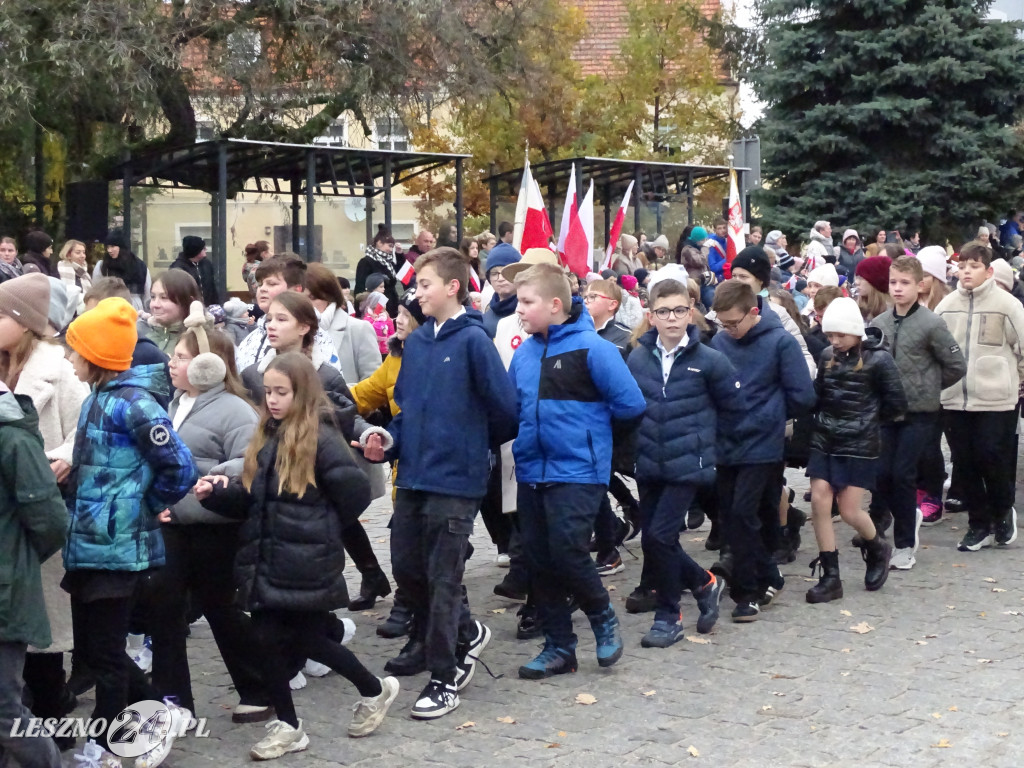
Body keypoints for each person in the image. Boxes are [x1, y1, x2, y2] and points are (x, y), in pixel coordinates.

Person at [196, 352, 400, 760]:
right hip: (269, 556)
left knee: (303, 637)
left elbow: (353, 493)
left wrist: (320, 527)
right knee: (269, 639)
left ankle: (374, 689)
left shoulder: (321, 438)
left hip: (304, 560)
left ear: (301, 393)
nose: (272, 400)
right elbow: (256, 497)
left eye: (281, 392)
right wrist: (218, 494)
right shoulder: (269, 434)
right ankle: (290, 724)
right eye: (268, 392)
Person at [384, 247, 517, 718]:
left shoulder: (475, 341)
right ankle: (461, 633)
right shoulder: (417, 344)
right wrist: (390, 440)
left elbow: (504, 412)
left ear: (453, 287)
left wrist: (468, 445)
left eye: (423, 285)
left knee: (444, 578)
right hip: (413, 476)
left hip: (456, 480)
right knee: (407, 567)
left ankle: (445, 676)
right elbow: (404, 409)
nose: (415, 293)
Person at [63, 297, 198, 756]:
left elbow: (179, 467)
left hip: (118, 547)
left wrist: (144, 507)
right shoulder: (97, 399)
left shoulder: (136, 405)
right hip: (89, 543)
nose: (69, 357)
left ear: (97, 356)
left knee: (106, 655)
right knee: (98, 649)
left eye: (75, 350)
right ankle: (157, 713)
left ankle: (107, 745)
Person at [509, 262, 645, 679]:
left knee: (568, 548)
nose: (519, 310)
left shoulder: (595, 349)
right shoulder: (524, 353)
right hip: (532, 470)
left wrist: (594, 444)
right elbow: (513, 408)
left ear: (554, 304)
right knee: (539, 558)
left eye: (526, 302)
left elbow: (631, 406)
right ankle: (558, 647)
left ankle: (602, 615)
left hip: (580, 471)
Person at [147, 317, 271, 723]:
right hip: (172, 526)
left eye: (182, 357)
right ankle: (172, 699)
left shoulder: (235, 409)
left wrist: (207, 480)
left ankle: (257, 687)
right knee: (165, 612)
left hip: (215, 528)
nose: (171, 363)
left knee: (223, 610)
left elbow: (249, 460)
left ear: (207, 364)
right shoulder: (172, 403)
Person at [240, 291, 393, 609]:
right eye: (269, 318)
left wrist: (369, 436)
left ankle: (362, 578)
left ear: (305, 327)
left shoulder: (324, 374)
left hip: (314, 464)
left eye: (282, 319)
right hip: (271, 465)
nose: (271, 325)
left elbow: (346, 416)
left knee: (327, 522)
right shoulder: (254, 374)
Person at [0, 274, 89, 731]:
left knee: (44, 636)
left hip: (41, 510)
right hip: (5, 517)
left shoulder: (60, 369)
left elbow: (86, 427)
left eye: (1, 314)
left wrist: (61, 459)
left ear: (24, 321)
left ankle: (52, 724)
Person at [627, 278, 734, 646]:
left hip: (688, 463)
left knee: (660, 536)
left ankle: (668, 614)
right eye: (662, 311)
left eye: (678, 310)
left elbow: (733, 410)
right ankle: (704, 583)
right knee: (654, 540)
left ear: (691, 312)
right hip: (649, 460)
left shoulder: (709, 359)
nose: (671, 318)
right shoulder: (638, 357)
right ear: (651, 316)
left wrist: (709, 449)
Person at [711, 280, 816, 619]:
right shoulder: (719, 341)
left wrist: (769, 414)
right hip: (725, 442)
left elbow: (803, 396)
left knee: (746, 512)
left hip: (763, 444)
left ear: (753, 312)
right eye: (722, 323)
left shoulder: (780, 342)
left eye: (733, 323)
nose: (728, 329)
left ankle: (749, 590)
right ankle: (768, 572)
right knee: (730, 516)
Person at [805, 297, 907, 603]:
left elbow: (897, 405)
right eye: (830, 335)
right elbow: (819, 395)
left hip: (859, 444)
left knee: (850, 510)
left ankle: (876, 545)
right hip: (825, 440)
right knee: (820, 501)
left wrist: (869, 424)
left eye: (841, 335)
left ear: (856, 332)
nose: (835, 342)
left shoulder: (879, 360)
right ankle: (831, 575)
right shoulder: (826, 356)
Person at [870, 257, 966, 566]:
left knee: (903, 473)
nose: (898, 289)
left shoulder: (931, 323)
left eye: (905, 283)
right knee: (882, 473)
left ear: (919, 285)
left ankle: (904, 545)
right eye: (893, 282)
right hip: (887, 413)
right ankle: (902, 516)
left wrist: (929, 386)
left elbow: (955, 365)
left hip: (920, 413)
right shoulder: (879, 324)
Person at [935, 241, 1024, 552]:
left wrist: (1018, 380)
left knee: (991, 456)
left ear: (988, 271)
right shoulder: (946, 306)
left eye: (974, 266)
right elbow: (936, 350)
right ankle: (978, 524)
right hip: (955, 398)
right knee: (965, 462)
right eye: (962, 265)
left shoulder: (1008, 305)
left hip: (996, 398)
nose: (966, 271)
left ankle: (1002, 510)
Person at [351, 289, 426, 640]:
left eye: (406, 314)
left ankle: (416, 607)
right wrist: (319, 394)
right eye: (397, 313)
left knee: (421, 542)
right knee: (405, 539)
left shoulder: (434, 354)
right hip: (402, 462)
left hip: (434, 463)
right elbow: (366, 393)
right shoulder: (394, 358)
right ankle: (407, 602)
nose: (397, 320)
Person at [0, 381, 68, 768]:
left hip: (5, 595)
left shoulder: (13, 441)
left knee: (5, 711)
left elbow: (50, 521)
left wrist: (15, 563)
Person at [235, 254, 340, 373]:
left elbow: (327, 383)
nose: (262, 289)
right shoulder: (251, 339)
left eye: (272, 284)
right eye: (260, 284)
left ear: (297, 290)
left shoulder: (316, 338)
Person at [726, 246, 816, 375]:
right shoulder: (720, 311)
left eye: (743, 277)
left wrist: (797, 383)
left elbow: (802, 355)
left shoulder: (777, 313)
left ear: (760, 280)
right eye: (734, 276)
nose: (737, 282)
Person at [304, 262, 380, 384]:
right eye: (300, 298)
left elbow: (373, 384)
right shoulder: (287, 331)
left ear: (329, 298)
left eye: (312, 298)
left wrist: (341, 396)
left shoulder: (358, 329)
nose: (305, 303)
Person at [139, 270, 204, 354]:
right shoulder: (142, 336)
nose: (155, 304)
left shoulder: (200, 340)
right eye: (152, 297)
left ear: (188, 301)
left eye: (164, 297)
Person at [92, 231, 150, 311]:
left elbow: (147, 293)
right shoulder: (103, 265)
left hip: (134, 307)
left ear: (121, 246)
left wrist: (148, 314)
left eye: (112, 246)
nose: (109, 250)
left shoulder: (139, 266)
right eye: (108, 247)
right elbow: (96, 290)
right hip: (108, 306)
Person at [481, 243, 521, 338]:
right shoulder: (485, 316)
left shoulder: (528, 312)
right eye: (494, 273)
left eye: (505, 272)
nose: (500, 278)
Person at [355, 228, 400, 315]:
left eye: (392, 247)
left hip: (390, 307)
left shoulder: (388, 261)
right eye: (389, 246)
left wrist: (400, 255)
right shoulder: (366, 262)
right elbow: (360, 288)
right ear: (379, 243)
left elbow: (400, 274)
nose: (391, 250)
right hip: (375, 310)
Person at [170, 235, 221, 307]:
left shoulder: (207, 264)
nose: (206, 249)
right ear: (196, 250)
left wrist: (216, 305)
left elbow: (212, 288)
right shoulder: (178, 268)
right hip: (188, 309)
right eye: (203, 248)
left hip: (208, 307)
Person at [854, 255, 893, 321]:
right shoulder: (855, 309)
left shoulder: (892, 314)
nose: (856, 282)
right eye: (857, 277)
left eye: (862, 278)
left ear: (877, 282)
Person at [915, 245, 951, 310]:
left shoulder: (948, 304)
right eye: (916, 274)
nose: (918, 279)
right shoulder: (908, 301)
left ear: (937, 278)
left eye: (924, 275)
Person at [363, 291, 395, 356]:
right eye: (381, 304)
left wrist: (392, 345)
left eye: (385, 304)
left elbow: (391, 333)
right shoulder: (368, 319)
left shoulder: (386, 317)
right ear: (374, 305)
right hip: (373, 351)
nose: (384, 306)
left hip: (386, 350)